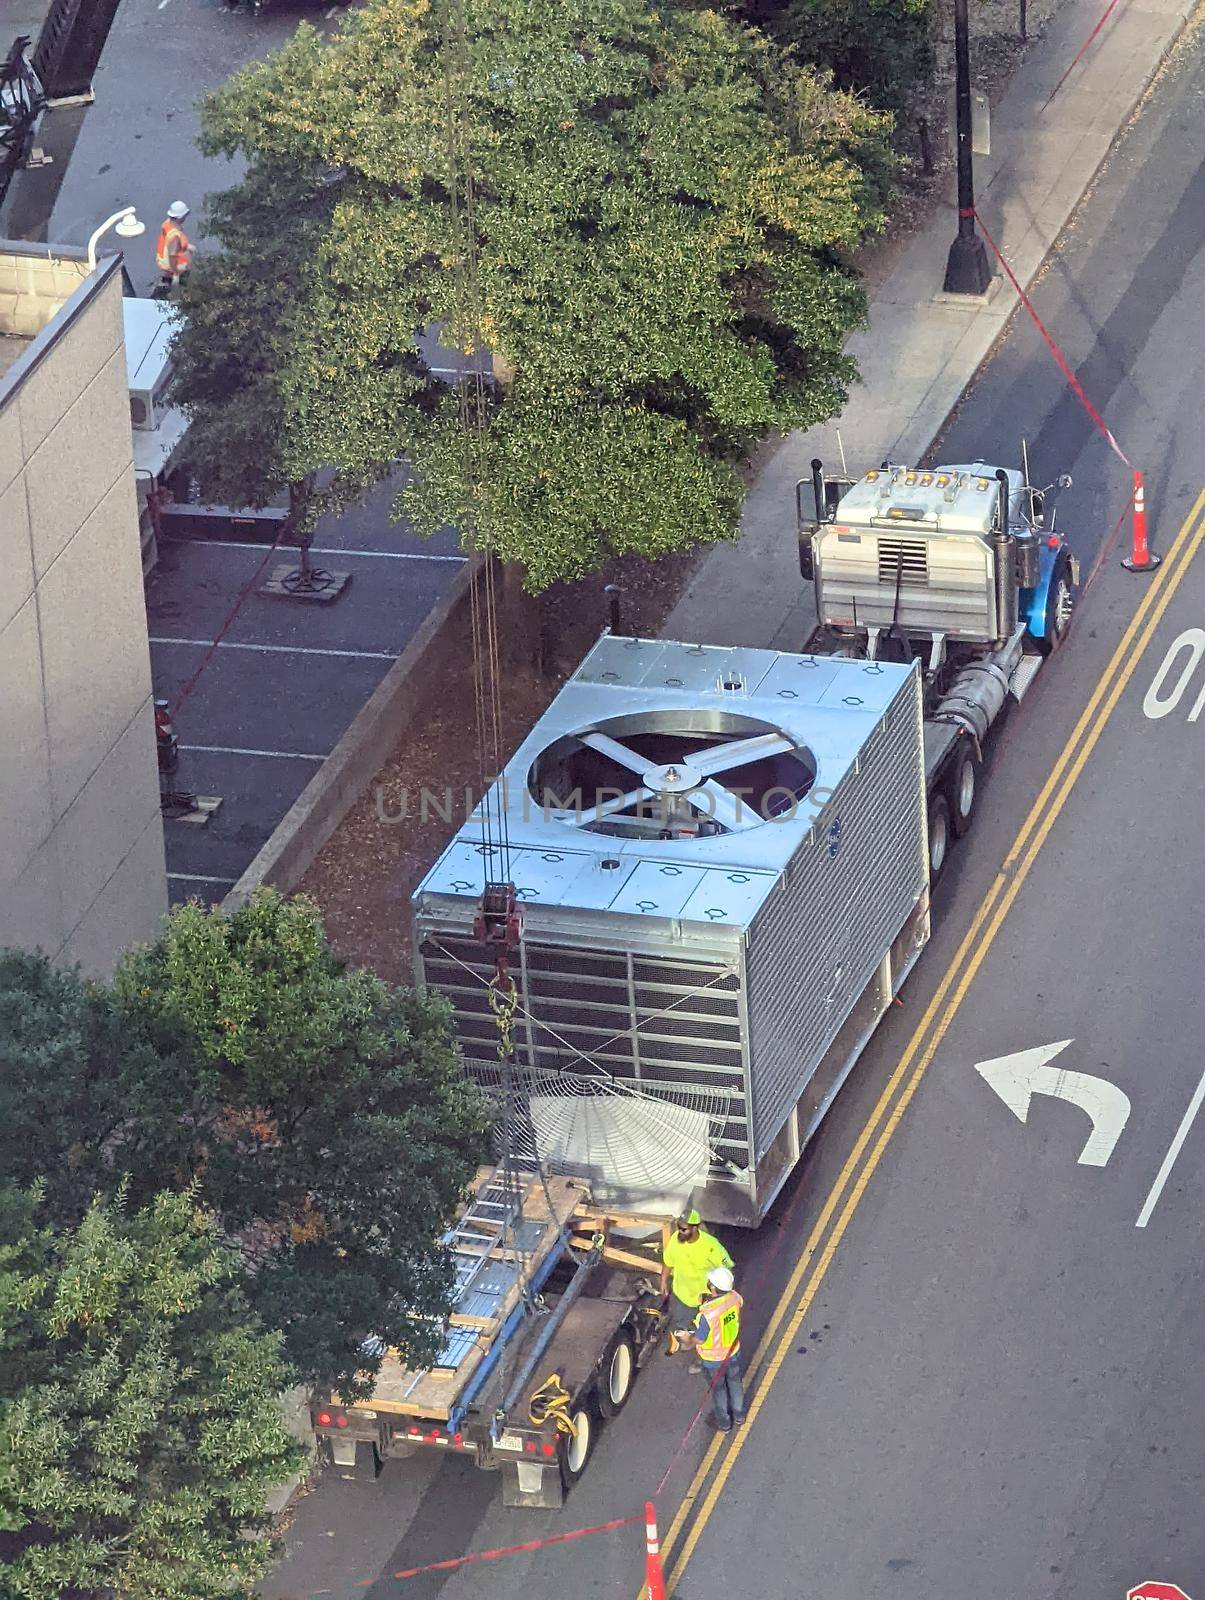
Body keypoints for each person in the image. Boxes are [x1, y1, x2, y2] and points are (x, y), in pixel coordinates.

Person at [660, 1210, 732, 1371]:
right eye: (679, 1227)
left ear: (696, 1227)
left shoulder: (712, 1246)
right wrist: (663, 1280)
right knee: (682, 1327)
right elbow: (668, 1261)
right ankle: (683, 1342)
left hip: (705, 1301)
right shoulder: (675, 1240)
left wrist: (717, 1292)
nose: (680, 1231)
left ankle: (701, 1359)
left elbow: (727, 1268)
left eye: (684, 1229)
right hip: (682, 1294)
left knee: (704, 1334)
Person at [693, 1265, 745, 1433]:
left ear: (713, 1287)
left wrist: (686, 1339)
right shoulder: (735, 1298)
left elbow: (699, 1339)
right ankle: (739, 1415)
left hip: (713, 1362)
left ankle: (724, 1423)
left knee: (719, 1391)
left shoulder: (707, 1314)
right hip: (733, 1352)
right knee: (735, 1383)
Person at [156, 201, 192, 291]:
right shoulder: (175, 236)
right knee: (180, 286)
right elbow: (172, 255)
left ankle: (167, 283)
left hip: (165, 263)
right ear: (180, 217)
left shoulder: (168, 224)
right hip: (174, 267)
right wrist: (175, 272)